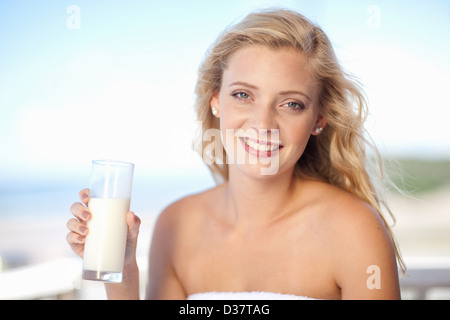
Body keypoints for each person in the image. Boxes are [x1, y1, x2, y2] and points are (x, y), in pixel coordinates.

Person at [67, 8, 405, 300]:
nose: (262, 123)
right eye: (244, 95)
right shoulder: (175, 225)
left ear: (318, 118)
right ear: (216, 100)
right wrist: (123, 271)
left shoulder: (355, 231)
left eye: (291, 104)